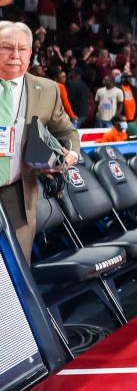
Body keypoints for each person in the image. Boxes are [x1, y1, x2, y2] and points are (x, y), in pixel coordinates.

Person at [0, 21, 79, 263]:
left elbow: (67, 132)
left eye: (22, 49)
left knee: (16, 272)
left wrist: (70, 156)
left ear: (31, 53)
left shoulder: (47, 90)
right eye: (6, 47)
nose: (15, 55)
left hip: (18, 194)